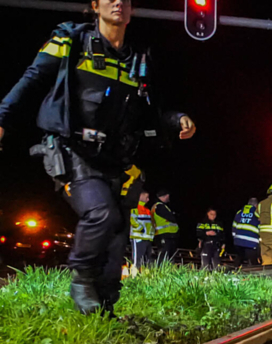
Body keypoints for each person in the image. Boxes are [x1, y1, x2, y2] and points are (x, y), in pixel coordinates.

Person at [0, 0, 196, 314]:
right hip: (72, 149)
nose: (118, 2)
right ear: (95, 5)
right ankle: (81, 279)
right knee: (101, 212)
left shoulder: (137, 58)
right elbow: (32, 79)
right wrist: (2, 118)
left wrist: (177, 119)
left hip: (115, 159)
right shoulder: (71, 40)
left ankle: (103, 311)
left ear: (132, 9)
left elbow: (149, 113)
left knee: (118, 229)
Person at [151, 189, 179, 263]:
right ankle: (161, 272)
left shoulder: (161, 206)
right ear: (165, 196)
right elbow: (172, 218)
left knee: (168, 256)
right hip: (164, 234)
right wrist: (174, 215)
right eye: (167, 196)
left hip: (167, 235)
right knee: (164, 255)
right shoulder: (159, 206)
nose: (168, 198)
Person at [128, 189, 153, 271]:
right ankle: (134, 279)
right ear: (140, 196)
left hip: (147, 238)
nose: (148, 199)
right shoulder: (135, 208)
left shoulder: (147, 210)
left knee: (147, 262)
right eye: (147, 197)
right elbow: (132, 221)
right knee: (137, 261)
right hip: (138, 238)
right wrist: (141, 229)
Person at [231, 197, 260, 266]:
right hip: (252, 241)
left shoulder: (239, 212)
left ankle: (233, 271)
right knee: (253, 261)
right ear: (256, 205)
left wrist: (235, 238)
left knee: (240, 257)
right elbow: (260, 225)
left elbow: (234, 226)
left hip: (238, 241)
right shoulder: (257, 213)